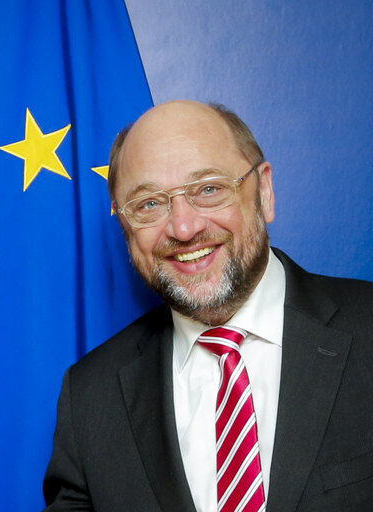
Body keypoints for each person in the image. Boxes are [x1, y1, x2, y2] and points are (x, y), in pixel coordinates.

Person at [43, 100, 373, 511]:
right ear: (125, 225)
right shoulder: (90, 397)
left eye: (209, 189)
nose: (184, 227)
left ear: (264, 192)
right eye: (149, 203)